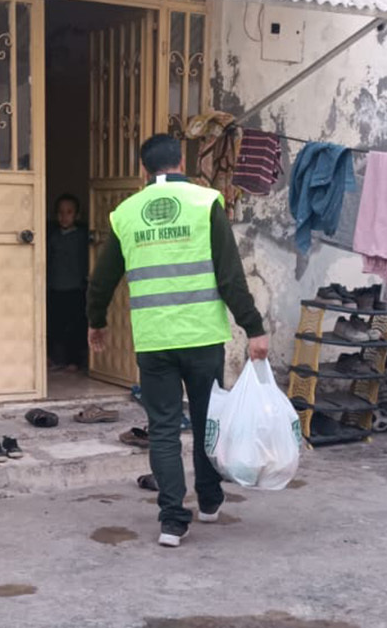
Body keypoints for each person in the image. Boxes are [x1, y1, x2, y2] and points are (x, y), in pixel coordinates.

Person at [87, 134, 269, 548]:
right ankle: (209, 501)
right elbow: (230, 277)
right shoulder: (205, 203)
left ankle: (172, 521)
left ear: (143, 169)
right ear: (181, 161)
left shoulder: (126, 213)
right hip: (202, 338)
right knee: (207, 421)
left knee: (164, 430)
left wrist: (96, 322)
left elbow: (102, 280)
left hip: (154, 341)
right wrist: (253, 327)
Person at [46, 194, 91, 372]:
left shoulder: (82, 237)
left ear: (77, 215)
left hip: (76, 288)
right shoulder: (53, 237)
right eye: (60, 212)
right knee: (54, 324)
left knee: (75, 326)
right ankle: (53, 357)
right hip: (55, 287)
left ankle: (74, 360)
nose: (64, 217)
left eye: (69, 212)